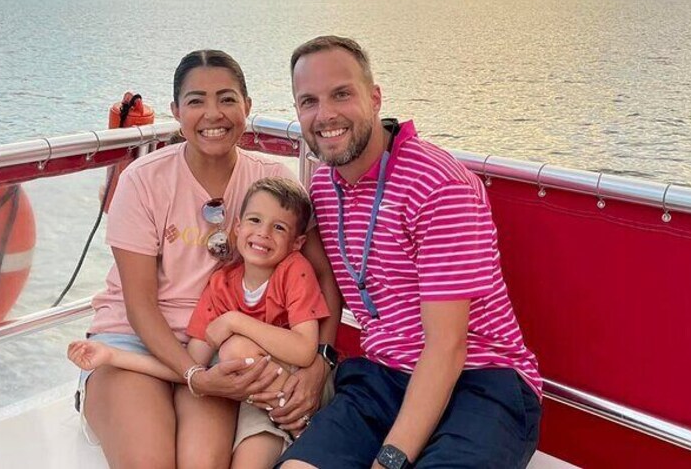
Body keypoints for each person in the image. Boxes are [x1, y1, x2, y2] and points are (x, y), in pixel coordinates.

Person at [277, 36, 543, 469]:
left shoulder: (438, 185)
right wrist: (320, 362)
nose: (325, 115)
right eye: (309, 101)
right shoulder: (324, 187)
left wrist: (390, 460)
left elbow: (447, 346)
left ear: (375, 97)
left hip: (481, 380)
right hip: (384, 377)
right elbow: (324, 283)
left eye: (341, 94)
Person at [78, 50, 341, 469]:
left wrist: (320, 365)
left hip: (218, 348)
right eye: (196, 100)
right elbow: (140, 306)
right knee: (150, 462)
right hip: (135, 343)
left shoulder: (271, 181)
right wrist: (192, 376)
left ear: (247, 107)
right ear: (176, 111)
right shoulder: (143, 180)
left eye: (227, 98)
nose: (212, 113)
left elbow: (322, 277)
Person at [70, 177, 330, 468]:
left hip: (289, 384)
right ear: (237, 227)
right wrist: (113, 355)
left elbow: (305, 350)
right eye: (255, 221)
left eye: (278, 227)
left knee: (235, 349)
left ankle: (305, 430)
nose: (263, 233)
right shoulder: (222, 286)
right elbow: (191, 366)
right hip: (252, 400)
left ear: (297, 243)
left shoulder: (295, 270)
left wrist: (235, 320)